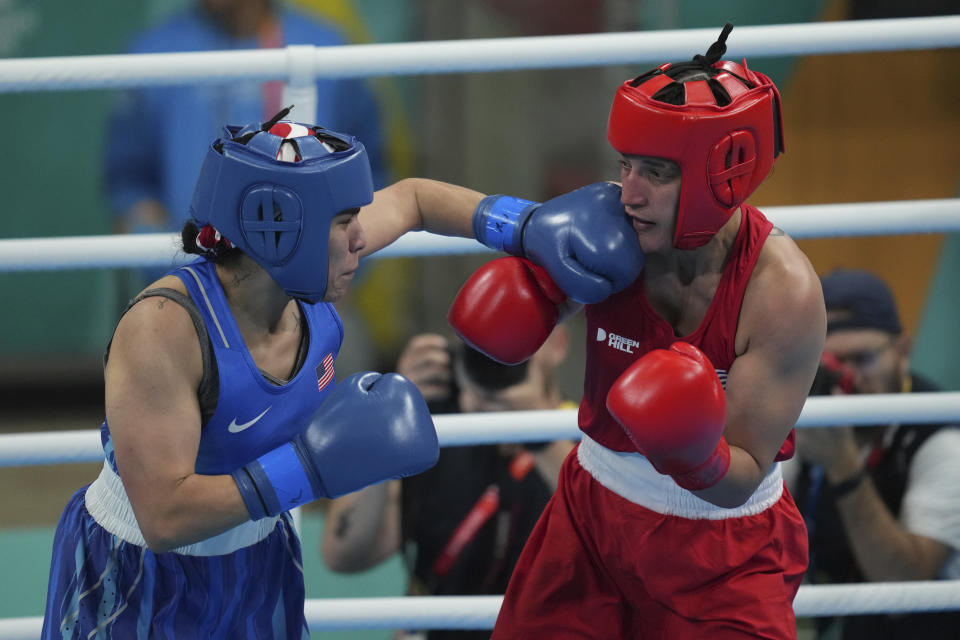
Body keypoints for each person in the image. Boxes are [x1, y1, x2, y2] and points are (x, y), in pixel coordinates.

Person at [40, 112, 486, 639]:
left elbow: (412, 199)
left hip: (258, 557)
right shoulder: (163, 329)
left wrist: (524, 226)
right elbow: (163, 519)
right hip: (139, 573)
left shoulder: (311, 275)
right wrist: (308, 469)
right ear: (279, 229)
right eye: (344, 221)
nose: (363, 239)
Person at [448, 23, 825, 637]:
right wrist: (530, 297)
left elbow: (738, 479)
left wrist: (691, 450)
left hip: (723, 553)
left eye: (656, 172)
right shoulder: (612, 229)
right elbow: (510, 325)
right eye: (625, 165)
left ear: (722, 173)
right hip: (591, 519)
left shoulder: (783, 294)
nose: (630, 193)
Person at [321, 328, 575, 639]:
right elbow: (344, 555)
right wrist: (392, 417)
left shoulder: (588, 442)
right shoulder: (436, 436)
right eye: (486, 346)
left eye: (520, 341)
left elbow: (610, 540)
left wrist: (538, 428)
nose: (501, 359)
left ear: (558, 345)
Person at [105, 0, 386, 238]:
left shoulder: (325, 46)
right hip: (188, 277)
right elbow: (129, 183)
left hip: (307, 274)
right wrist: (172, 269)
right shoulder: (154, 50)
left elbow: (369, 169)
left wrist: (338, 265)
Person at [790, 268, 960, 639]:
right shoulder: (809, 415)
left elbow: (903, 586)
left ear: (903, 350)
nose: (847, 380)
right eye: (831, 366)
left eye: (862, 359)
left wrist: (843, 465)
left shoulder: (942, 439)